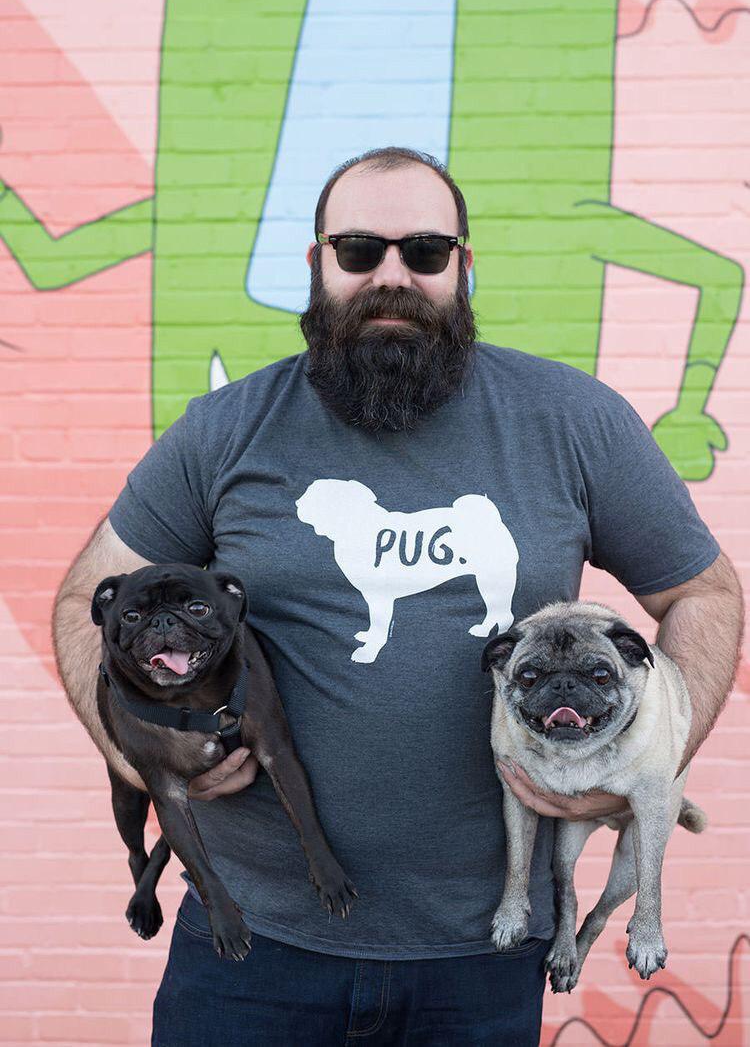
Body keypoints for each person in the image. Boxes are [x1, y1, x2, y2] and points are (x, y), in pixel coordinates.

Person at [53, 147, 743, 1046]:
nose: (392, 277)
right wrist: (138, 750)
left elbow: (704, 593)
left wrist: (647, 761)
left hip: (484, 953)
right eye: (358, 251)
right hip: (252, 945)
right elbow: (83, 604)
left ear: (463, 266)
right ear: (316, 266)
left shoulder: (574, 421)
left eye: (424, 252)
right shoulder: (226, 431)